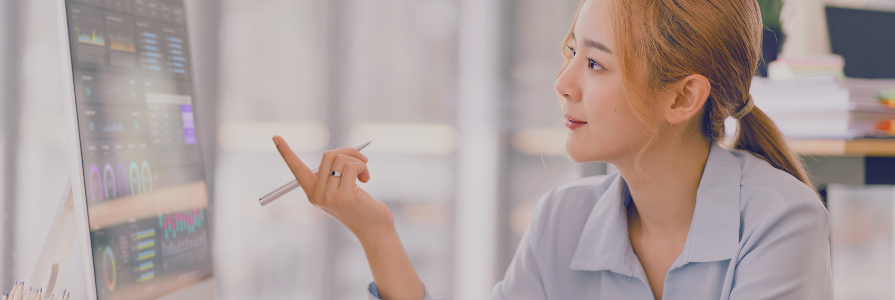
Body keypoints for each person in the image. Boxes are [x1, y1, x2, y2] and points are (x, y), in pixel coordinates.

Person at [271, 0, 833, 298]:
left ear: (683, 96)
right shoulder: (562, 221)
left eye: (594, 63)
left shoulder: (781, 223)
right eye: (570, 52)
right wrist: (377, 232)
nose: (563, 83)